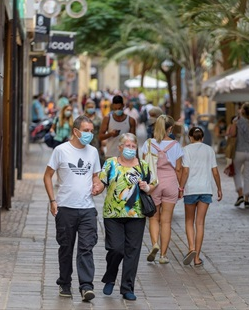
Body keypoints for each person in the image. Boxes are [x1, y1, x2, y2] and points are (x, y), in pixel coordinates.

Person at [43, 115, 102, 302]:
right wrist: (53, 200)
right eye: (86, 131)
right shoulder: (61, 150)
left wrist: (98, 186)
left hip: (87, 209)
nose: (89, 134)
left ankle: (86, 287)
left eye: (91, 131)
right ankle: (65, 283)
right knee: (66, 247)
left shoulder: (93, 152)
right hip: (65, 208)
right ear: (76, 131)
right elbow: (47, 176)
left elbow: (96, 177)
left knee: (86, 248)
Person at [95, 133, 156, 301]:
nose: (130, 149)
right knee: (116, 249)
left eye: (132, 146)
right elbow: (102, 183)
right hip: (112, 213)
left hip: (136, 214)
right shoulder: (110, 163)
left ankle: (127, 287)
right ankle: (110, 277)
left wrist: (147, 187)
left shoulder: (143, 166)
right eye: (127, 146)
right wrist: (95, 189)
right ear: (120, 147)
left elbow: (153, 185)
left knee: (132, 251)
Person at [141, 115, 183, 264]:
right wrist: (180, 187)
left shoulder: (148, 144)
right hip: (171, 182)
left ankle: (154, 244)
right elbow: (178, 169)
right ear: (170, 128)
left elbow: (144, 165)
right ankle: (163, 256)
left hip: (154, 183)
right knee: (166, 221)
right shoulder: (176, 145)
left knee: (153, 218)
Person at [179, 127, 223, 266]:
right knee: (200, 223)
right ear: (202, 138)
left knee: (189, 221)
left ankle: (191, 247)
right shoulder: (209, 150)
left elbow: (185, 171)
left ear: (190, 137)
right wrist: (219, 188)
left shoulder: (186, 150)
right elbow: (215, 172)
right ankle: (197, 258)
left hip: (191, 189)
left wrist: (180, 187)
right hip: (205, 190)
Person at [229, 103, 249, 208]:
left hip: (239, 151)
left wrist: (234, 124)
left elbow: (232, 134)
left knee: (237, 173)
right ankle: (247, 200)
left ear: (242, 111)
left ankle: (240, 195)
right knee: (248, 176)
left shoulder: (237, 121)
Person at [99, 95, 137, 159]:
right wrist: (110, 134)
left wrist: (136, 157)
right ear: (112, 106)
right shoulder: (107, 119)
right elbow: (100, 136)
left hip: (126, 156)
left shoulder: (131, 120)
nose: (117, 110)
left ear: (123, 106)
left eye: (119, 108)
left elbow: (134, 140)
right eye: (115, 109)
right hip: (110, 155)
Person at [84, 100, 105, 165]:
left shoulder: (98, 119)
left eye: (92, 107)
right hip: (85, 142)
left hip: (96, 142)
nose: (90, 109)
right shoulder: (83, 118)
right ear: (86, 108)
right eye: (89, 107)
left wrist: (102, 145)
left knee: (96, 160)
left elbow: (101, 132)